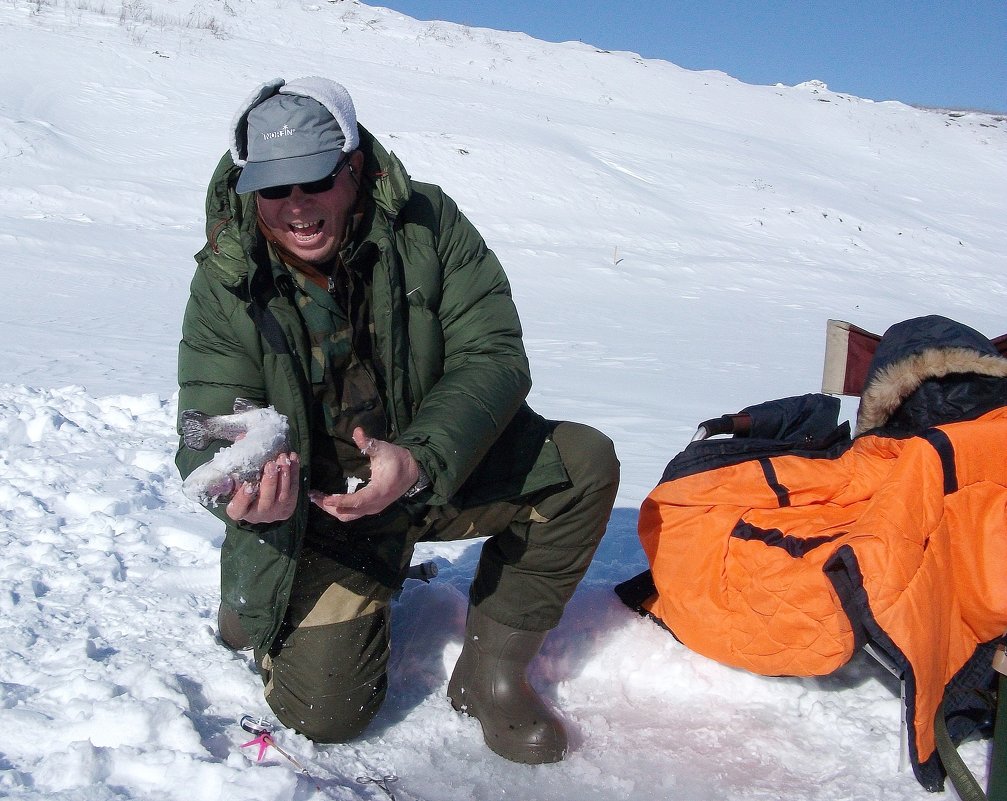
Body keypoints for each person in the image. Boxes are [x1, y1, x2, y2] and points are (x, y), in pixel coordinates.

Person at [176, 76, 619, 765]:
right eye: (273, 188)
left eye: (315, 180)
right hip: (317, 513)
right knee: (330, 715)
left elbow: (492, 354)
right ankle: (258, 606)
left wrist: (419, 456)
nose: (296, 207)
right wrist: (244, 500)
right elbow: (204, 420)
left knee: (580, 463)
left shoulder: (428, 222)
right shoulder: (228, 273)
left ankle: (491, 673)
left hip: (426, 470)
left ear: (355, 168)